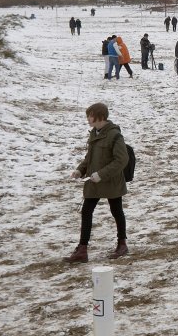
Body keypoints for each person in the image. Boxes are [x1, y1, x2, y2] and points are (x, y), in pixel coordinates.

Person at [63, 102, 129, 263]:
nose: (88, 118)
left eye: (90, 115)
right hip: (94, 181)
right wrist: (80, 170)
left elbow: (122, 160)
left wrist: (102, 174)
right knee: (86, 211)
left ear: (99, 116)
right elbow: (90, 157)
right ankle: (82, 249)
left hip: (111, 181)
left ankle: (122, 244)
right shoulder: (94, 133)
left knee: (116, 211)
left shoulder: (115, 135)